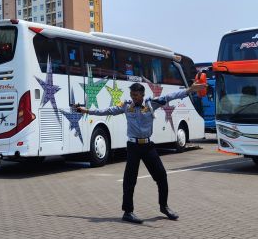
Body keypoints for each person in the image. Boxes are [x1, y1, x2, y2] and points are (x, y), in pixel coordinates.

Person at [77, 80, 206, 224]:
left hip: (148, 146)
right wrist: (87, 111)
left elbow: (170, 96)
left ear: (143, 95)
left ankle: (164, 206)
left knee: (161, 176)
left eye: (137, 95)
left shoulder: (152, 104)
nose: (134, 98)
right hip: (133, 147)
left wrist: (189, 90)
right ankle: (128, 212)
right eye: (132, 95)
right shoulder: (126, 106)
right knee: (129, 180)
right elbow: (108, 111)